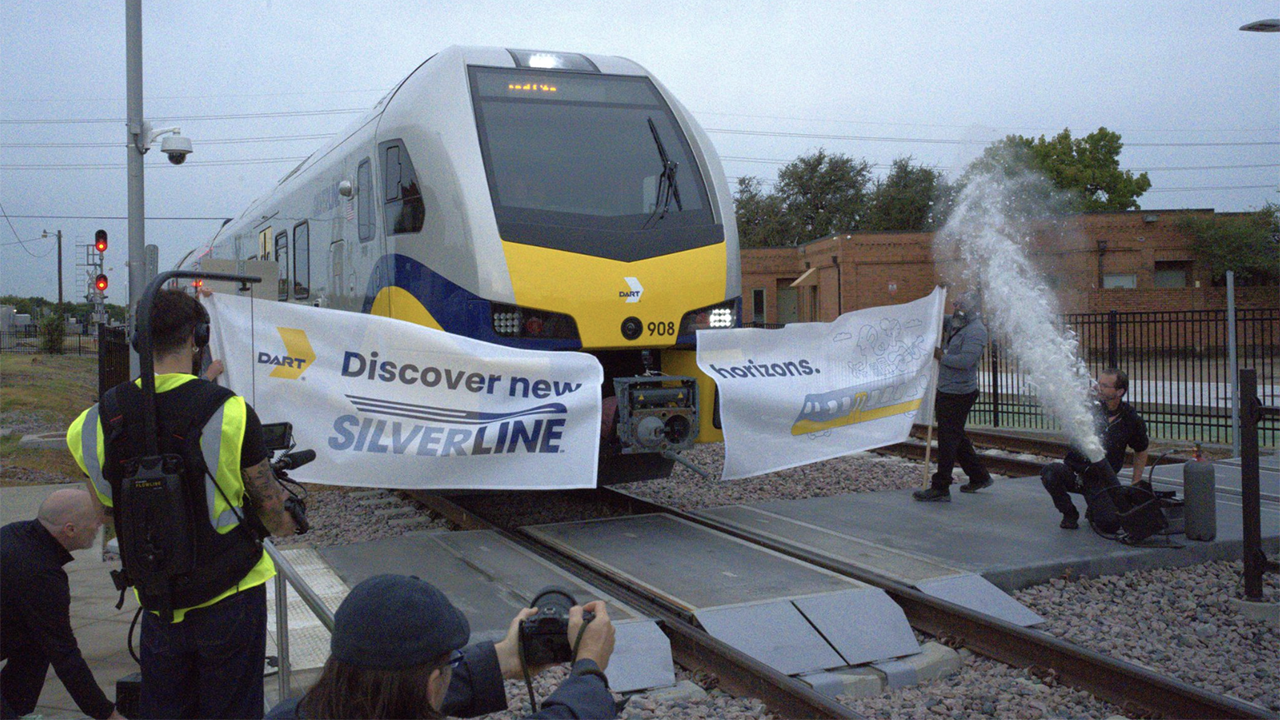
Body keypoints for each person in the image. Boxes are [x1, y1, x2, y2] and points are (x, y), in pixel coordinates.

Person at [66, 288, 299, 719]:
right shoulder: (228, 411)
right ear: (198, 336)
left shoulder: (92, 423)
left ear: (138, 340)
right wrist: (287, 518)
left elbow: (110, 514)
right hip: (231, 597)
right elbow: (273, 513)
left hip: (159, 602)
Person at [266, 574, 617, 719]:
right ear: (434, 684)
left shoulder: (289, 712)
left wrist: (502, 660)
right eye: (451, 663)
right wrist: (588, 668)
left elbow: (391, 694)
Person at [1, 489, 125, 720]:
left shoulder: (15, 534)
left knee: (39, 642)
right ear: (70, 529)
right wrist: (108, 715)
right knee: (49, 642)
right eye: (94, 521)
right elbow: (65, 655)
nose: (100, 525)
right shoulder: (41, 575)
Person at [1040, 368, 1150, 530]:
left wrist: (1135, 482)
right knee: (1050, 473)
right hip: (1074, 473)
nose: (1099, 388)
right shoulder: (1088, 408)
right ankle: (1069, 513)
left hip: (1100, 479)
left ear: (1119, 391)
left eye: (1105, 385)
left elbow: (1141, 449)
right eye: (1098, 383)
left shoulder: (1130, 419)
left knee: (1109, 525)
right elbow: (1062, 411)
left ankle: (1094, 508)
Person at [914, 291, 994, 502]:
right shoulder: (956, 323)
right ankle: (979, 476)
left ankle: (941, 486)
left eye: (961, 303)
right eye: (956, 302)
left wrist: (942, 356)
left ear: (972, 308)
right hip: (947, 389)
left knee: (948, 440)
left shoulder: (976, 331)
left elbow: (966, 361)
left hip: (959, 393)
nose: (956, 305)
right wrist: (938, 297)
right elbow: (938, 317)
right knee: (955, 436)